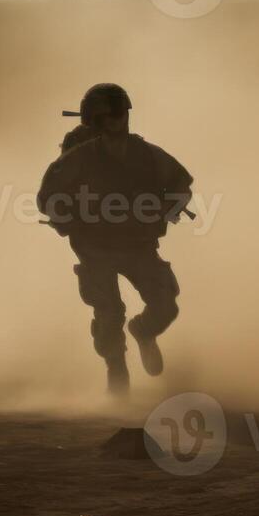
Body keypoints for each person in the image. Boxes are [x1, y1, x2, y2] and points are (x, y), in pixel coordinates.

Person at [37, 84, 193, 397]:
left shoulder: (146, 154)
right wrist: (67, 217)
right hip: (95, 247)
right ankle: (116, 370)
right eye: (107, 116)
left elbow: (181, 183)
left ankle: (143, 331)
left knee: (165, 306)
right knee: (108, 313)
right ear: (93, 120)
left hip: (139, 245)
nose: (116, 122)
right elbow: (47, 197)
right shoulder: (79, 159)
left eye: (120, 114)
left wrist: (166, 208)